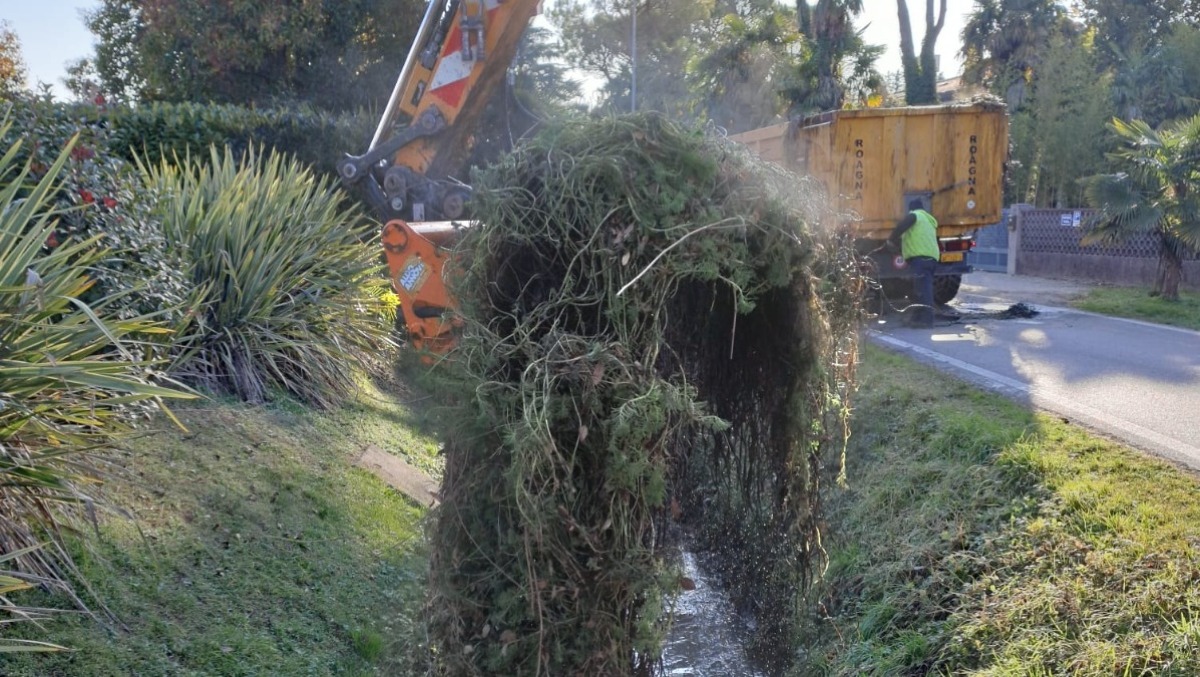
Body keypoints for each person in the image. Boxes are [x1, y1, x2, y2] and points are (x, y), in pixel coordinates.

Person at [889, 199, 939, 327]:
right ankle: (916, 319)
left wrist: (891, 240)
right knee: (919, 290)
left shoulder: (914, 216)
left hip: (921, 259)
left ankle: (927, 321)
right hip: (930, 259)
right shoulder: (928, 220)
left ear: (911, 209)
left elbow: (900, 227)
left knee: (923, 291)